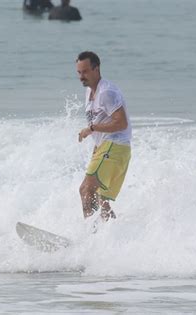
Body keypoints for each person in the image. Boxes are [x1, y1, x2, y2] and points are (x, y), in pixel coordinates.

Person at [76, 51, 132, 223]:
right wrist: (96, 149)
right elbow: (103, 121)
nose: (81, 77)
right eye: (79, 72)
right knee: (103, 202)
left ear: (96, 69)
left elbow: (121, 123)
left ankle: (90, 235)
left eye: (85, 71)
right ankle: (112, 240)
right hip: (110, 148)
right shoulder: (89, 92)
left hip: (115, 146)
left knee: (86, 189)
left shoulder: (107, 92)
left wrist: (91, 128)